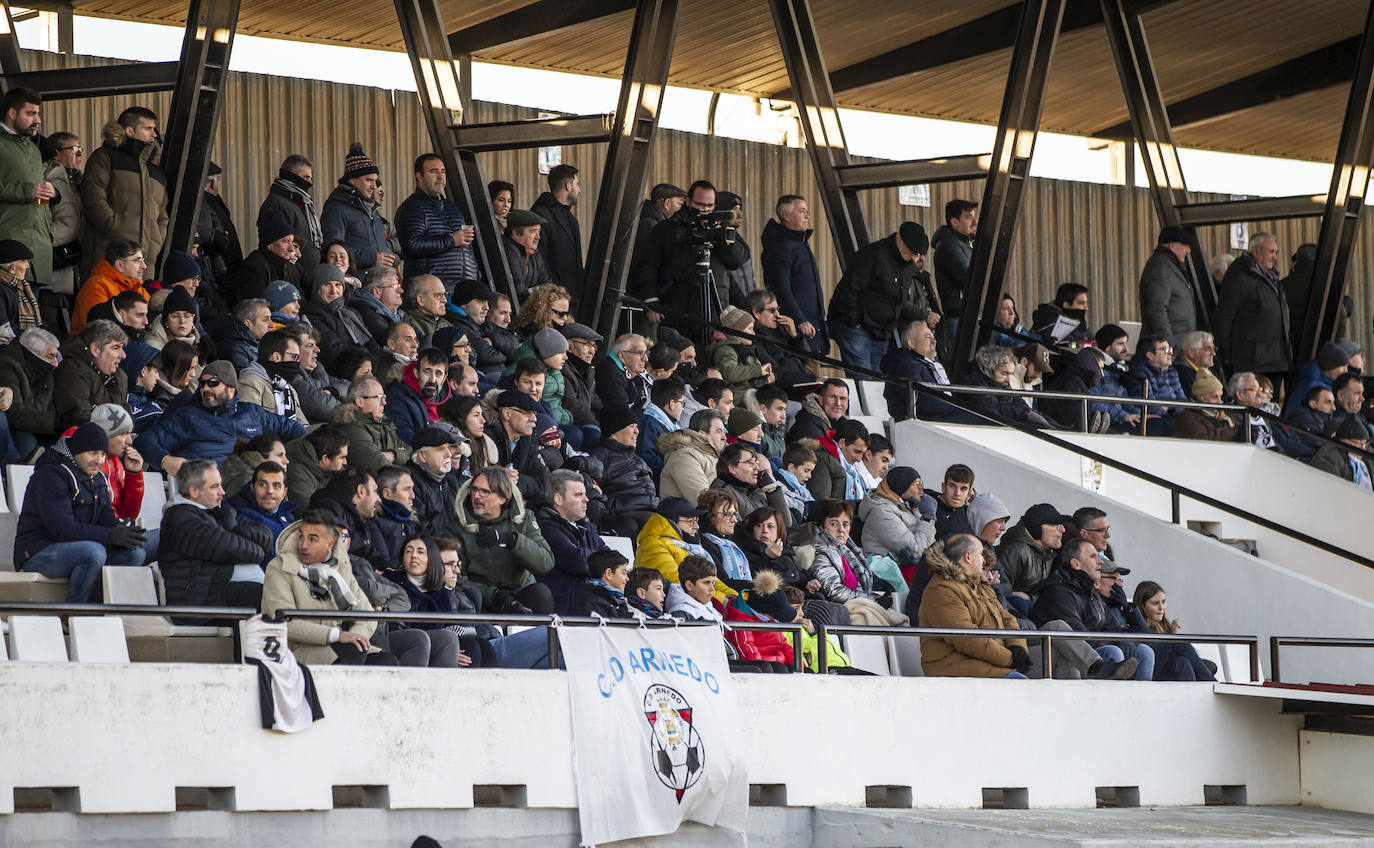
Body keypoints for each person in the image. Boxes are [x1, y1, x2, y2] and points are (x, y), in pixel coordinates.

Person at [15, 422, 147, 602]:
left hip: (79, 548)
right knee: (94, 552)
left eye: (103, 454)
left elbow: (107, 518)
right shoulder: (51, 475)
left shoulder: (98, 477)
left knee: (135, 553)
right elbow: (63, 529)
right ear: (76, 451)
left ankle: (102, 608)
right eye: (93, 453)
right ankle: (75, 612)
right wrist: (112, 535)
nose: (99, 460)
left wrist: (123, 533)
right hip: (37, 552)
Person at [262, 509, 398, 666]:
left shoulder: (340, 566)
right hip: (296, 652)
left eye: (312, 539)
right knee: (352, 651)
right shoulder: (280, 567)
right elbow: (282, 622)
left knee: (387, 661)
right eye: (301, 537)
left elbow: (367, 615)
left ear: (330, 544)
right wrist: (337, 636)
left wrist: (355, 637)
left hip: (338, 647)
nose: (303, 545)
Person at [137, 360, 307, 473]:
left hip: (253, 489)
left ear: (231, 388)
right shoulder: (189, 417)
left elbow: (292, 428)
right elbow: (144, 441)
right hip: (208, 494)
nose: (205, 389)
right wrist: (165, 460)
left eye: (213, 383)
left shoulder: (251, 412)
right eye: (202, 384)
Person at [160, 459, 273, 622]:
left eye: (220, 485)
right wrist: (256, 548)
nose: (223, 492)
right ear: (194, 491)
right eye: (215, 487)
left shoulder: (218, 511)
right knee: (264, 597)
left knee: (279, 595)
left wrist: (233, 528)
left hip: (216, 591)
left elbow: (265, 534)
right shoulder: (180, 518)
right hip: (197, 601)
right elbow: (231, 548)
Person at [634, 180, 746, 340]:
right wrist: (651, 301)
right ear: (688, 201)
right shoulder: (668, 229)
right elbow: (647, 266)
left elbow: (737, 260)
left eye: (710, 205)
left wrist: (718, 230)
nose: (706, 210)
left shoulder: (719, 229)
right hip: (677, 310)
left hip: (715, 313)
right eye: (700, 205)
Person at [918, 534, 1030, 679]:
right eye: (981, 554)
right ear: (968, 557)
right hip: (953, 668)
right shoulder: (941, 589)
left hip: (987, 663)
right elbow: (968, 638)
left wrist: (1018, 647)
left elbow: (1008, 618)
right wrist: (1010, 659)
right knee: (1022, 684)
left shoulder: (981, 585)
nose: (984, 559)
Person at [1030, 538, 1144, 680]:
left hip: (1088, 651)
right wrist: (1115, 643)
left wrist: (1125, 640)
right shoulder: (1058, 593)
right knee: (1112, 651)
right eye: (1092, 556)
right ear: (1075, 563)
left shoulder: (1092, 594)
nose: (1100, 561)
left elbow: (1116, 628)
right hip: (1052, 655)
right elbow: (1079, 637)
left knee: (1143, 652)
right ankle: (1101, 677)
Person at [828, 222, 932, 376]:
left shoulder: (908, 265)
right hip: (858, 328)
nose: (912, 257)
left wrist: (889, 326)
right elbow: (848, 290)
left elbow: (900, 299)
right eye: (910, 252)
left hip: (882, 332)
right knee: (864, 381)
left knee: (878, 384)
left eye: (916, 254)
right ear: (899, 239)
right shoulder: (873, 255)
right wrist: (854, 321)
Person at [447, 467, 555, 613]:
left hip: (520, 593)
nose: (476, 496)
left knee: (541, 594)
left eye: (485, 491)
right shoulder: (456, 527)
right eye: (474, 490)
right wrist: (494, 596)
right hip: (483, 599)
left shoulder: (524, 519)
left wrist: (512, 541)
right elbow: (457, 578)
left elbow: (545, 562)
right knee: (471, 597)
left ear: (502, 498)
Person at [80, 106, 167, 279]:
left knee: (140, 306)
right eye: (148, 128)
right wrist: (114, 230)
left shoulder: (156, 172)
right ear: (130, 130)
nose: (154, 134)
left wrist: (155, 242)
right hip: (110, 257)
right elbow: (93, 198)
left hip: (145, 264)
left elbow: (162, 215)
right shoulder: (105, 157)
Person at [1212, 232, 1290, 388]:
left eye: (1276, 252)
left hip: (1274, 359)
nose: (1275, 257)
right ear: (1256, 252)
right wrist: (1227, 353)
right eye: (1271, 252)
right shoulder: (1239, 277)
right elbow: (1224, 317)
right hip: (1254, 362)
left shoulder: (1270, 276)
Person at [377, 536, 466, 668]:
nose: (413, 556)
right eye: (409, 551)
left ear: (432, 558)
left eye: (420, 552)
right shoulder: (389, 580)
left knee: (451, 639)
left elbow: (444, 625)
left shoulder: (439, 589)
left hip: (424, 638)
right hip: (389, 636)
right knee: (419, 638)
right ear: (402, 558)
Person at [396, 153, 478, 291]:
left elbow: (467, 247)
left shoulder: (453, 208)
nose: (440, 176)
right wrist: (451, 240)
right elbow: (412, 245)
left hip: (461, 291)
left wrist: (475, 275)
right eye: (433, 171)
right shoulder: (412, 207)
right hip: (431, 293)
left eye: (443, 171)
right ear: (419, 176)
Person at [535, 469, 610, 614]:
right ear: (558, 499)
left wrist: (590, 556)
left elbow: (612, 559)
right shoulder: (544, 528)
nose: (586, 499)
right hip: (562, 616)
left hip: (590, 610)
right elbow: (579, 561)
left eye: (585, 494)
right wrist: (595, 557)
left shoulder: (588, 527)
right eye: (578, 495)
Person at [635, 496, 734, 603]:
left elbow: (711, 580)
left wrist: (733, 596)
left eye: (696, 521)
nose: (696, 526)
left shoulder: (684, 545)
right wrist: (724, 600)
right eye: (690, 521)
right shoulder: (653, 545)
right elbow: (679, 584)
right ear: (672, 522)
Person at [0, 89, 52, 290]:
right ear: (12, 113)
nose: (38, 120)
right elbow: (30, 190)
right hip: (8, 250)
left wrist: (50, 232)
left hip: (38, 251)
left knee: (31, 319)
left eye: (37, 114)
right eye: (31, 114)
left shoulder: (33, 148)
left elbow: (38, 194)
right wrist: (28, 191)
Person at [760, 194, 826, 354]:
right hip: (796, 328)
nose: (807, 216)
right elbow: (780, 287)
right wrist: (799, 319)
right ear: (786, 215)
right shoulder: (780, 245)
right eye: (802, 211)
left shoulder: (799, 242)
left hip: (811, 323)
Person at [882, 320, 979, 423]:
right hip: (924, 423)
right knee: (984, 419)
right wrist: (960, 409)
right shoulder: (905, 365)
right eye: (928, 337)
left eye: (934, 337)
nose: (934, 341)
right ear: (912, 343)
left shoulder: (924, 364)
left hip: (939, 418)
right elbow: (927, 403)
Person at [320, 142, 393, 270]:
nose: (374, 186)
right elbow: (333, 250)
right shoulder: (336, 209)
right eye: (369, 180)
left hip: (378, 280)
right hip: (357, 282)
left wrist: (391, 256)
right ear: (353, 180)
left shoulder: (371, 208)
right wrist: (372, 259)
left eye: (375, 180)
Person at [589, 405, 659, 533]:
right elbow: (595, 494)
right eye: (632, 426)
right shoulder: (599, 457)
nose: (637, 431)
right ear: (614, 432)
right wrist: (614, 507)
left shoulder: (637, 459)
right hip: (627, 514)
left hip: (652, 510)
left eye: (636, 426)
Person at [52, 318, 129, 430]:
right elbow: (80, 421)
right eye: (116, 347)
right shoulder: (72, 373)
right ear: (95, 349)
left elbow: (127, 418)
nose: (123, 355)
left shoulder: (119, 376)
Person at [1133, 580, 1217, 681]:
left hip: (1167, 671)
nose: (1161, 608)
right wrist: (1173, 640)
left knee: (1183, 662)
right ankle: (1210, 682)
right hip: (1148, 670)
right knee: (1178, 643)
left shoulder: (1164, 626)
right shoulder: (1138, 625)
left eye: (1163, 602)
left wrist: (1172, 635)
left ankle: (1196, 693)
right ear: (1143, 606)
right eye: (1155, 603)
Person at [330, 375, 412, 475]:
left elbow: (409, 451)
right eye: (379, 398)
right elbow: (379, 466)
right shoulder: (350, 427)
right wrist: (398, 455)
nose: (384, 403)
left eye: (384, 397)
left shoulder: (385, 423)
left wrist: (392, 455)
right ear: (360, 401)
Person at [258, 154, 322, 277]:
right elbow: (280, 246)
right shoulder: (277, 204)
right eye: (306, 177)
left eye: (311, 178)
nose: (310, 183)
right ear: (291, 176)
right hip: (291, 276)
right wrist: (300, 274)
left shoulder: (302, 203)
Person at [857, 465, 934, 568]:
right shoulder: (881, 513)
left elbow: (928, 542)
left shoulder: (903, 505)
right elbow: (916, 549)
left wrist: (916, 509)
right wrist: (928, 517)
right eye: (916, 484)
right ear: (901, 486)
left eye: (921, 483)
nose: (921, 488)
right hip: (889, 575)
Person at [995, 502, 1069, 602]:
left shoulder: (1048, 555)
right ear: (1038, 529)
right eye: (1057, 525)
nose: (1063, 530)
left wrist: (1030, 598)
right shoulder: (1016, 552)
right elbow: (998, 591)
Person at [225, 459, 297, 562]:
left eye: (276, 486)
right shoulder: (238, 515)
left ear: (284, 492)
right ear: (252, 487)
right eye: (263, 484)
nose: (269, 491)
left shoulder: (288, 516)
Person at [1138, 225, 1197, 345]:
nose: (1188, 250)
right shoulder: (1160, 268)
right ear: (1172, 245)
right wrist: (1167, 342)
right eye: (1185, 245)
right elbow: (1156, 308)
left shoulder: (1170, 265)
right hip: (1170, 346)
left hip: (1179, 342)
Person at [529, 163, 583, 296]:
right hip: (554, 297)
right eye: (577, 184)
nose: (579, 190)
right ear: (568, 186)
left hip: (572, 297)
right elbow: (539, 257)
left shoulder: (571, 220)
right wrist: (554, 289)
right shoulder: (541, 215)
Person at [224, 211, 301, 303]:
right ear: (270, 244)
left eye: (292, 242)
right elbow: (254, 309)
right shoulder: (253, 269)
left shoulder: (290, 268)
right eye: (285, 241)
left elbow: (300, 300)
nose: (291, 248)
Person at [709, 442, 790, 528]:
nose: (757, 468)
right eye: (750, 463)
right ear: (732, 468)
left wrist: (772, 490)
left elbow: (786, 524)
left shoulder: (755, 490)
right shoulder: (722, 494)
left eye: (756, 462)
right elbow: (736, 532)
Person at [72, 239, 146, 333]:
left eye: (143, 260)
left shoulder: (137, 286)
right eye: (137, 260)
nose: (144, 266)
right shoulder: (96, 286)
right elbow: (99, 330)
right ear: (119, 265)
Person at [236, 329, 307, 425]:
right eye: (294, 357)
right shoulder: (250, 382)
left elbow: (303, 427)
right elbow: (250, 424)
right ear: (276, 357)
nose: (297, 363)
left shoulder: (288, 388)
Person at [745, 289, 811, 389]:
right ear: (757, 313)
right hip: (779, 391)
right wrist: (812, 379)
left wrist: (795, 336)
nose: (777, 314)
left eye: (777, 309)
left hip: (798, 382)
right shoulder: (753, 339)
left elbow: (807, 359)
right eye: (772, 311)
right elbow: (777, 372)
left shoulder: (782, 330)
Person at [931, 199, 977, 341]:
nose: (975, 222)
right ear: (954, 222)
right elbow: (971, 279)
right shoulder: (949, 246)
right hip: (959, 317)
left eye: (974, 216)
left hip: (965, 315)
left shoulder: (964, 244)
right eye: (968, 217)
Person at [659, 408, 725, 502]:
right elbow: (701, 500)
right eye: (719, 431)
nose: (724, 437)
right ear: (702, 434)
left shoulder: (711, 455)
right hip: (686, 516)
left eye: (724, 431)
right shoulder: (684, 457)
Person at [1129, 334, 1186, 435]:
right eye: (1164, 349)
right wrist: (1172, 407)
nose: (1170, 353)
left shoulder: (1172, 372)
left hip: (1174, 417)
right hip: (1158, 420)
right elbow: (1150, 407)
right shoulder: (1140, 372)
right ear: (1150, 355)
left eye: (1170, 349)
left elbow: (1183, 401)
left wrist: (1168, 407)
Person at [1286, 341, 1350, 418]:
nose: (1346, 371)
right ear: (1331, 365)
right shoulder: (1314, 384)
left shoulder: (1326, 382)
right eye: (1343, 366)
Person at [501, 208, 554, 299]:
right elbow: (518, 289)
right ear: (516, 234)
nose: (538, 237)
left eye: (539, 232)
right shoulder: (509, 250)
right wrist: (540, 291)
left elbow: (548, 284)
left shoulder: (535, 253)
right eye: (533, 231)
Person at [1310, 416, 1373, 489]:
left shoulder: (1367, 455)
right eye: (1356, 443)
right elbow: (1329, 487)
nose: (1362, 448)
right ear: (1342, 441)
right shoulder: (1328, 456)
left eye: (1365, 443)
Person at [595, 333, 650, 416]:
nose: (645, 359)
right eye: (640, 353)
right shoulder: (610, 374)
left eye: (645, 353)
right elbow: (622, 412)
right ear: (622, 356)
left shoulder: (631, 371)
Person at [1174, 370, 1237, 441]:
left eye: (1220, 397)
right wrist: (1236, 431)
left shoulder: (1224, 415)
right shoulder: (1186, 417)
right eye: (1215, 397)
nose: (1219, 401)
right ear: (1201, 397)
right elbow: (1205, 440)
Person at [638, 379, 684, 476]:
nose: (683, 408)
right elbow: (646, 458)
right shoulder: (649, 423)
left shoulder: (663, 422)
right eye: (682, 403)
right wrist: (677, 465)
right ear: (671, 403)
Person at [631, 182, 686, 264]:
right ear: (667, 203)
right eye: (680, 203)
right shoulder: (651, 225)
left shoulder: (653, 222)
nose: (682, 208)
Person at [350, 267, 407, 345]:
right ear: (377, 292)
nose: (401, 291)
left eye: (398, 285)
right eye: (394, 287)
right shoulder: (367, 314)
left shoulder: (400, 314)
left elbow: (421, 337)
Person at [572, 549, 633, 618]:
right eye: (623, 573)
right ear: (609, 573)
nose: (627, 579)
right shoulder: (591, 603)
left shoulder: (619, 601)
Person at [216, 298, 272, 371]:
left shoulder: (257, 345)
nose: (272, 325)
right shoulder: (234, 349)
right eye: (265, 319)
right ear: (248, 324)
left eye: (270, 319)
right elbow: (246, 380)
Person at [789, 378, 849, 442]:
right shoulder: (809, 424)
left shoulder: (843, 424)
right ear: (820, 399)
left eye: (843, 398)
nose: (838, 403)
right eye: (832, 397)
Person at [1175, 330, 1221, 400]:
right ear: (1191, 352)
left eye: (1214, 349)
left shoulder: (1212, 371)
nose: (1213, 353)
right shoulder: (1181, 373)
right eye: (1208, 349)